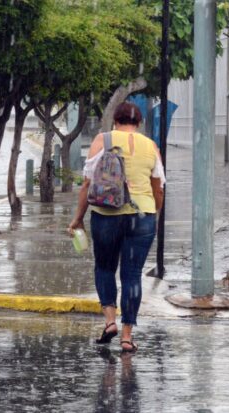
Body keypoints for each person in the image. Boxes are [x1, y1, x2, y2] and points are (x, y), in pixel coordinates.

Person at [68, 102, 165, 352]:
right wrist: (154, 213)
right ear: (139, 122)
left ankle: (110, 321)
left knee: (104, 267)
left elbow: (86, 184)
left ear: (115, 120)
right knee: (132, 275)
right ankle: (126, 336)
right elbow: (158, 187)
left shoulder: (103, 139)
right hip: (141, 215)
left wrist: (78, 218)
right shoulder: (151, 146)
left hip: (106, 213)